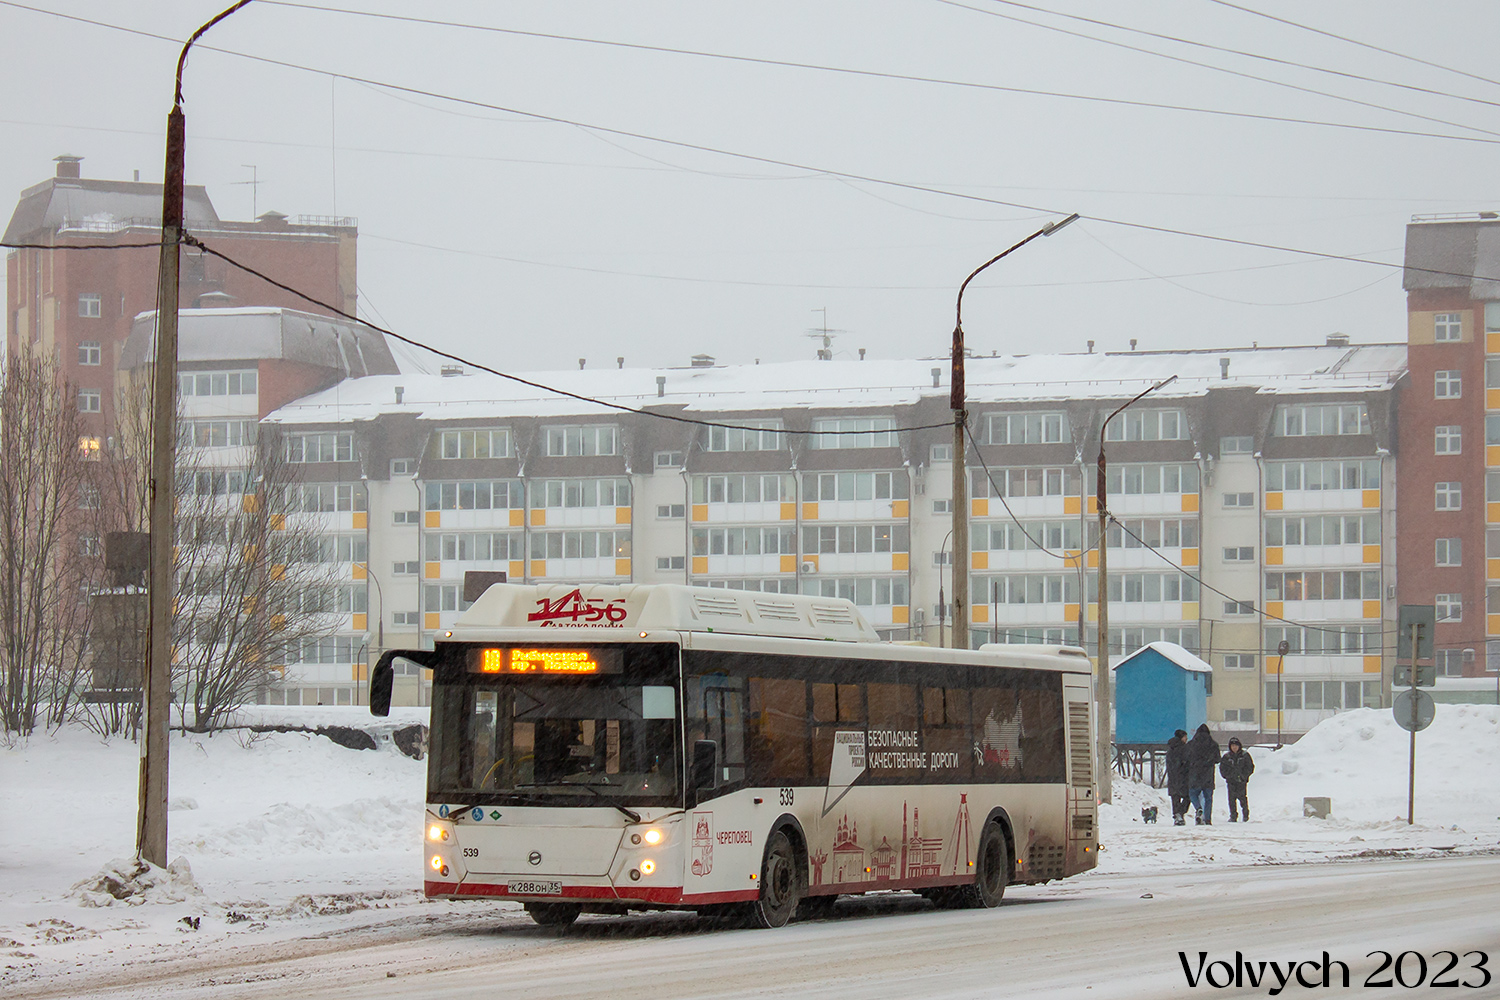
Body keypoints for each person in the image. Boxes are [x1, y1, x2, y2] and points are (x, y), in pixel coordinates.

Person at [1186, 723, 1220, 825]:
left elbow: (1186, 758)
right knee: (1208, 797)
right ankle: (1208, 819)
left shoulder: (1191, 744)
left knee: (1192, 793)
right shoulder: (1213, 744)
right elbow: (1218, 759)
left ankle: (1198, 808)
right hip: (1208, 774)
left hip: (1194, 774)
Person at [1219, 737, 1255, 822]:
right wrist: (1227, 776)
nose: (1234, 747)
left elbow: (1250, 767)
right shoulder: (1227, 757)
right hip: (1231, 781)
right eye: (1232, 745)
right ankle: (1233, 815)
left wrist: (1244, 776)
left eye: (1236, 745)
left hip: (1241, 781)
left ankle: (1245, 815)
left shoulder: (1245, 755)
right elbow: (1222, 768)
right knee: (1231, 799)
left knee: (1243, 798)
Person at [1164, 729, 1190, 825]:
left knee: (1175, 797)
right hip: (1183, 777)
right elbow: (1187, 762)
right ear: (1181, 737)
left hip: (1172, 776)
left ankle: (1177, 815)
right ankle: (1180, 813)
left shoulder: (1170, 749)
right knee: (1188, 796)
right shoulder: (1184, 749)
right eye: (1185, 737)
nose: (1186, 739)